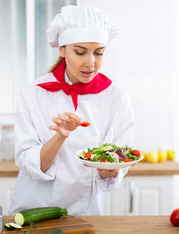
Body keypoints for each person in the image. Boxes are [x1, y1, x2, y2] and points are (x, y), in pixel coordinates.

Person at [8, 5, 135, 216]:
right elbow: (30, 165)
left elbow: (118, 162)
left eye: (99, 52)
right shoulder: (32, 94)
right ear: (61, 49)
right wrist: (60, 136)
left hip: (86, 214)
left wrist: (109, 170)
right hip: (35, 211)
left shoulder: (117, 99)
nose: (91, 63)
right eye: (80, 52)